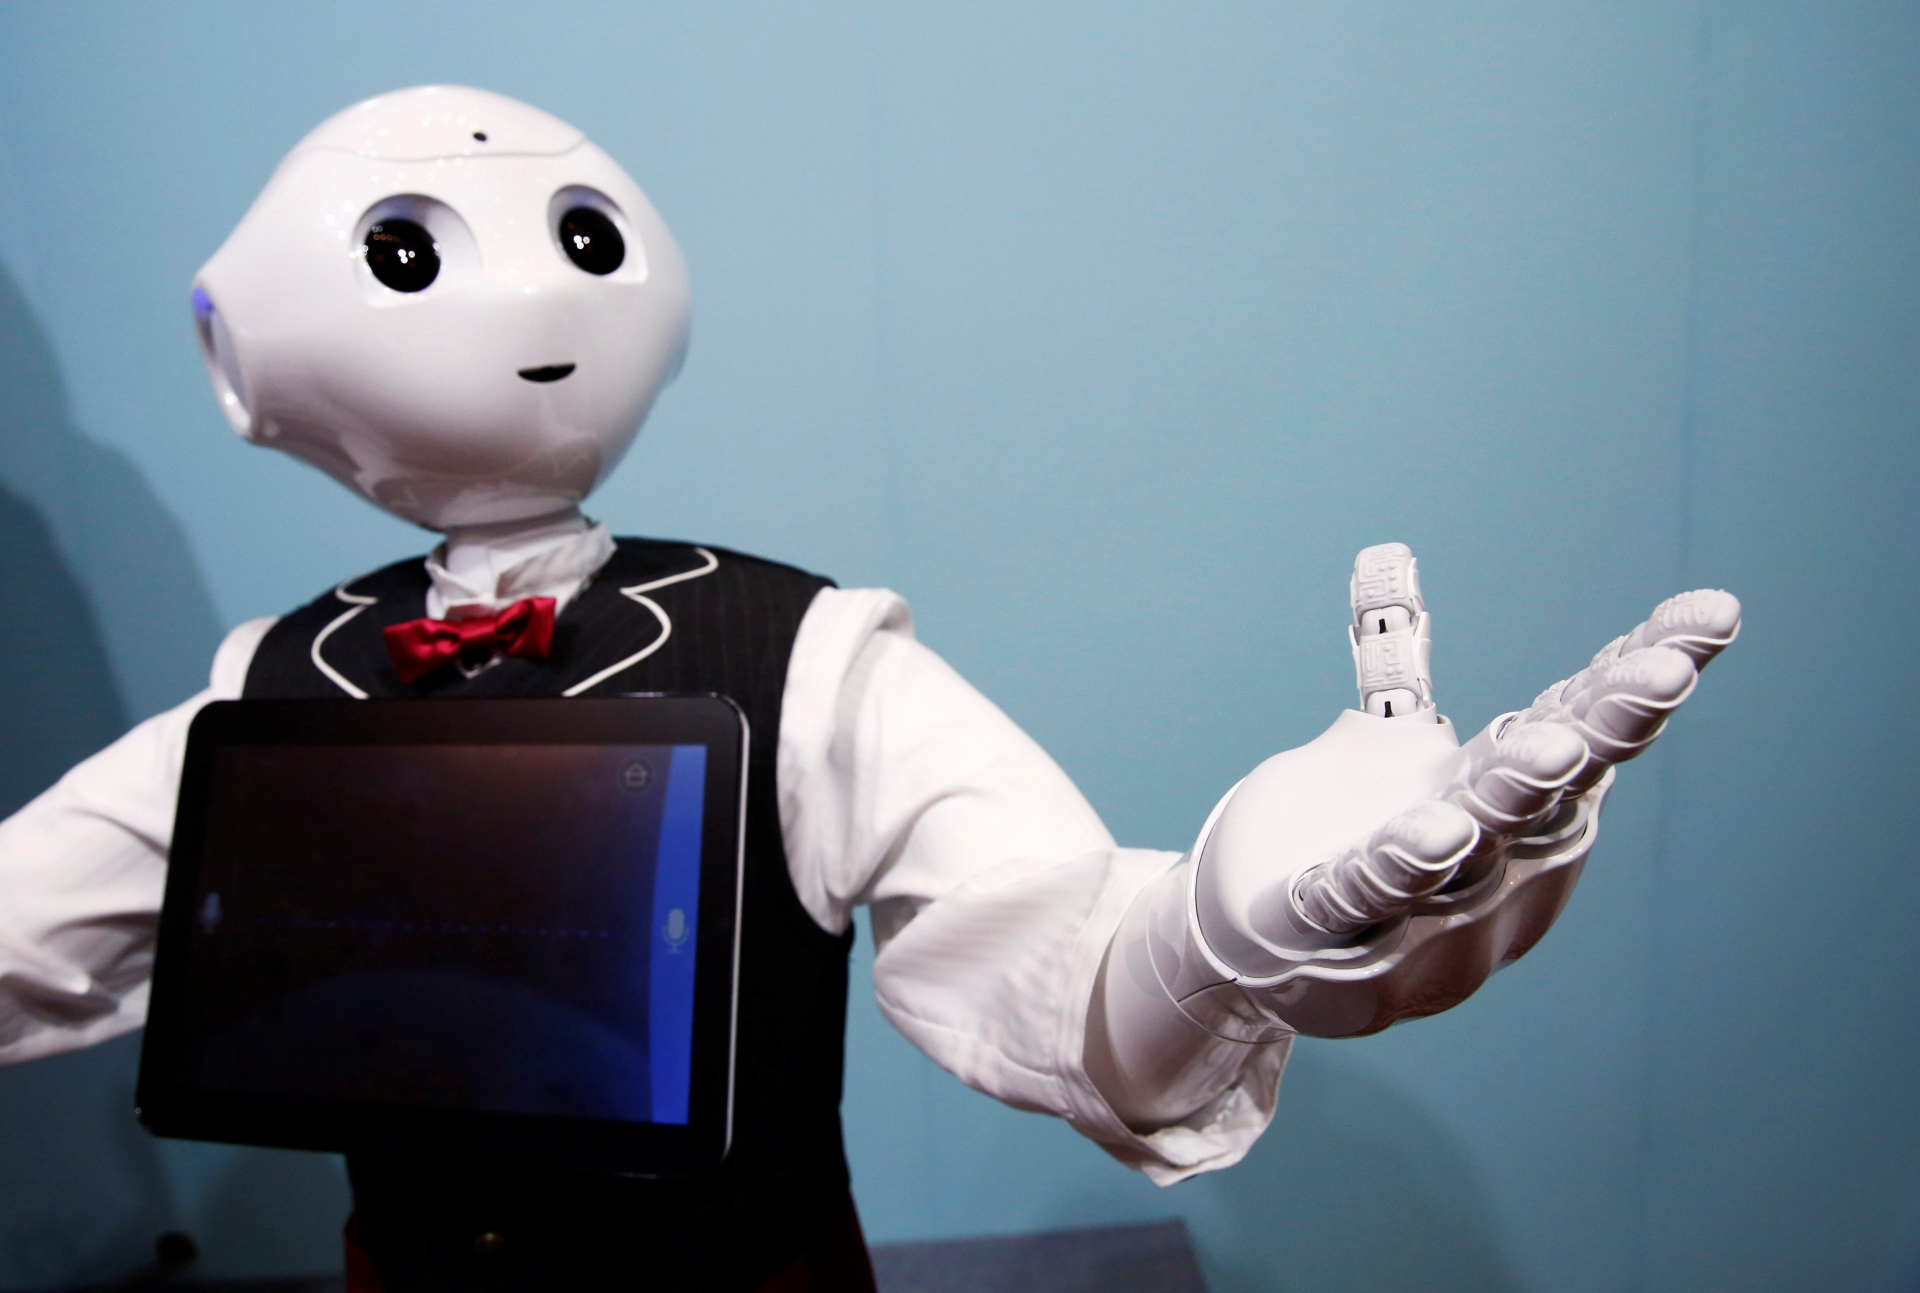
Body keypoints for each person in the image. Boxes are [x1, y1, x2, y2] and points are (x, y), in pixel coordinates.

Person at [0, 86, 1738, 1292]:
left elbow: (1048, 946)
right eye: (409, 252)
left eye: (579, 231)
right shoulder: (275, 682)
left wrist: (1218, 942)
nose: (528, 289)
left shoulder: (805, 651)